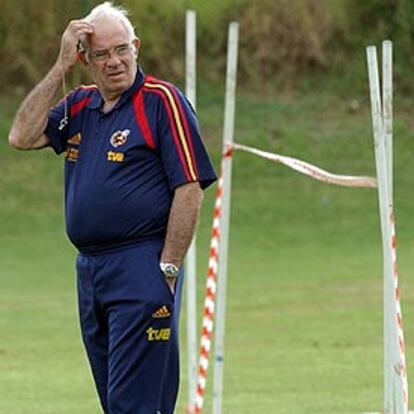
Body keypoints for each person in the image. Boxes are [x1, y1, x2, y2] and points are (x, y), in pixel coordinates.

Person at [8, 2, 217, 413]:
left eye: (121, 49)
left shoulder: (161, 101)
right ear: (85, 60)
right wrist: (59, 66)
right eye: (101, 54)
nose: (114, 62)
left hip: (140, 265)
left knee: (131, 404)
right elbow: (21, 135)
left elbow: (190, 188)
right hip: (90, 271)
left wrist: (168, 270)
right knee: (118, 402)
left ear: (136, 47)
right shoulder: (79, 106)